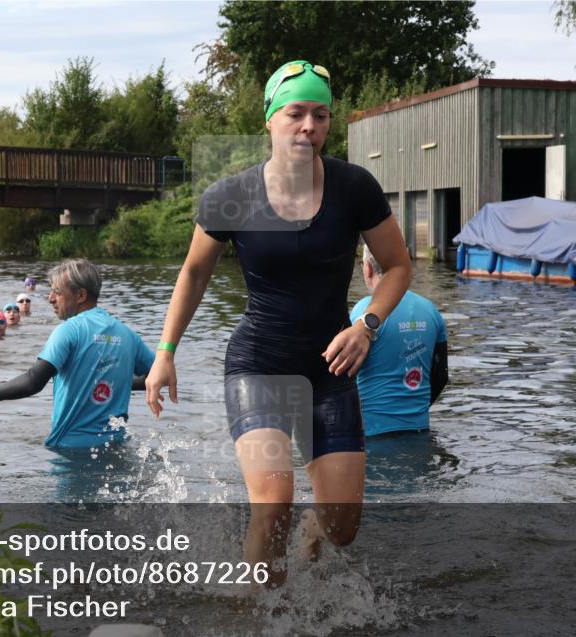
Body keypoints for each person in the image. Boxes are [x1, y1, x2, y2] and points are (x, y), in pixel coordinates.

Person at [144, 60, 411, 582]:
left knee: (343, 525)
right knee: (273, 504)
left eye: (320, 115)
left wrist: (367, 325)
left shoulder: (355, 188)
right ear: (270, 119)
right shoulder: (231, 196)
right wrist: (165, 353)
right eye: (296, 113)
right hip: (259, 365)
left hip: (328, 369)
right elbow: (195, 274)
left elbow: (399, 266)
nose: (308, 126)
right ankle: (254, 624)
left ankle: (313, 536)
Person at [0, 259, 155, 450]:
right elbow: (158, 376)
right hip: (116, 446)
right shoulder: (127, 334)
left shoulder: (68, 331)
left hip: (70, 450)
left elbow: (32, 382)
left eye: (57, 292)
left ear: (80, 295)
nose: (50, 298)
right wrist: (115, 381)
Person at [350, 244, 448, 435]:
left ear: (368, 268)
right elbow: (441, 376)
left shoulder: (363, 314)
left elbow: (342, 375)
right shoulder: (430, 311)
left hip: (371, 434)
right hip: (419, 429)